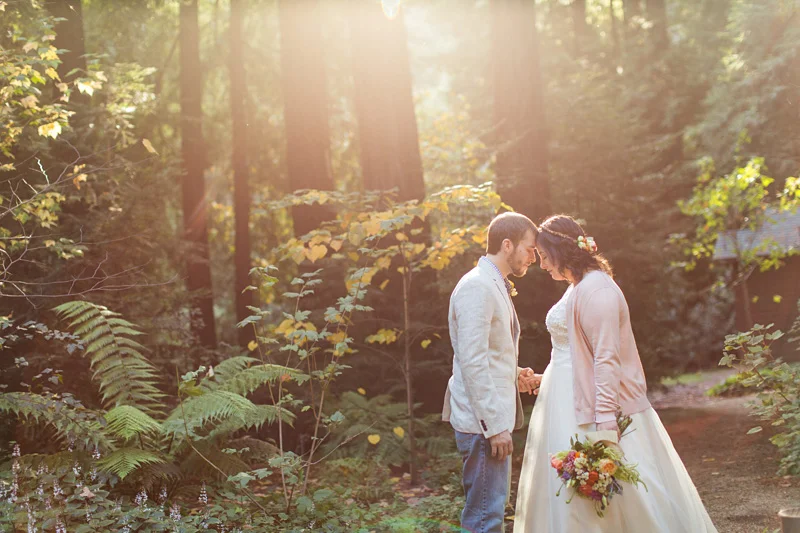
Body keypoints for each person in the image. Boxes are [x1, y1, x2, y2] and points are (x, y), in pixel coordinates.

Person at [513, 214, 717, 532]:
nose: (542, 264)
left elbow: (606, 359)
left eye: (543, 255)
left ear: (560, 249)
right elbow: (577, 351)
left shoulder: (598, 291)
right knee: (569, 491)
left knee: (613, 489)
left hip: (595, 408)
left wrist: (606, 423)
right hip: (567, 399)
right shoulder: (578, 286)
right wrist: (547, 378)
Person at [443, 212, 542, 533]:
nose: (534, 257)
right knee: (485, 518)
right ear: (507, 244)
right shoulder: (477, 287)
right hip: (482, 424)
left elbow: (485, 353)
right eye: (529, 249)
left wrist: (514, 372)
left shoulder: (491, 283)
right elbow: (471, 361)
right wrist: (494, 427)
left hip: (490, 420)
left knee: (491, 513)